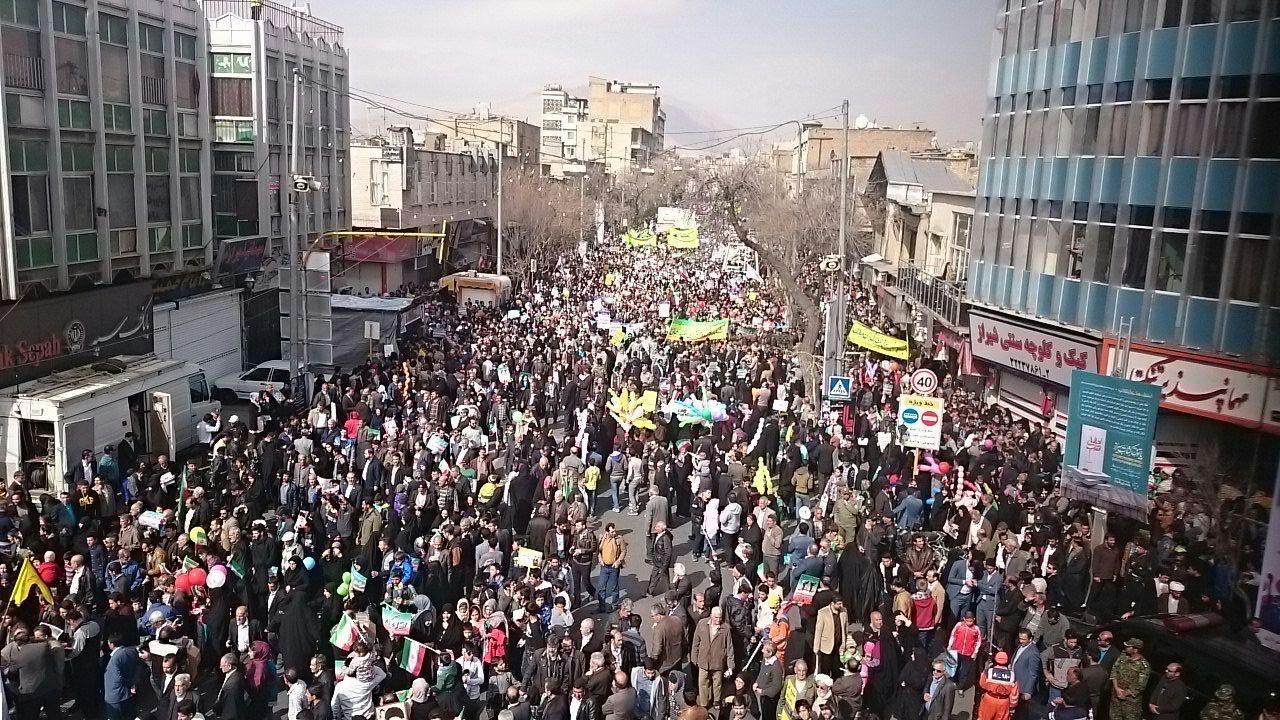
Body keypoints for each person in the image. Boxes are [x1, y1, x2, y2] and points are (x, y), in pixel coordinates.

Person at [691, 606, 735, 707]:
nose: (718, 620)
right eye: (716, 617)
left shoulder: (726, 628)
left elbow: (729, 648)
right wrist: (694, 658)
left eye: (720, 617)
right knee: (702, 683)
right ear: (711, 616)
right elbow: (695, 642)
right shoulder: (702, 624)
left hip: (718, 662)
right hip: (703, 660)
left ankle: (716, 701)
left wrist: (730, 666)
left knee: (717, 683)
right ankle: (704, 704)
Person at [1109, 639, 1150, 720]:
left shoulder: (1143, 665)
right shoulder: (1122, 656)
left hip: (1130, 702)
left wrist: (1124, 693)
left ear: (1135, 649)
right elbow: (1114, 671)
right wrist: (1117, 689)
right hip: (1116, 697)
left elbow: (1140, 685)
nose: (1126, 647)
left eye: (1128, 646)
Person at [977, 652, 1018, 720]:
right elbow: (1014, 694)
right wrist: (1012, 706)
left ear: (995, 659)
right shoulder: (1012, 675)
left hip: (989, 699)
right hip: (1004, 702)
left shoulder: (988, 672)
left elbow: (982, 684)